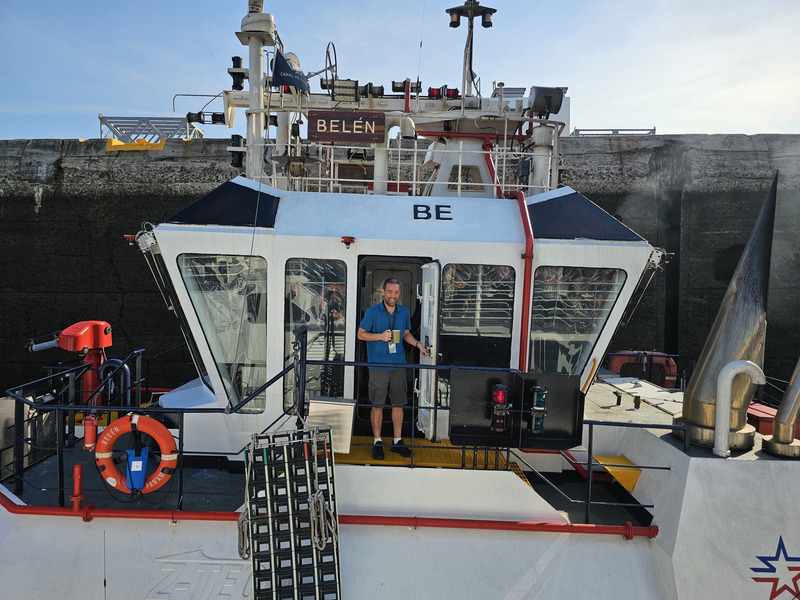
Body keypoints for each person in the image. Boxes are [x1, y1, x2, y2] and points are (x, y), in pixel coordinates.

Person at [357, 278, 428, 459]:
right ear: (383, 292)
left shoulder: (403, 311)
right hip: (378, 366)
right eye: (390, 291)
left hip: (398, 365)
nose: (393, 295)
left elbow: (405, 334)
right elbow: (361, 335)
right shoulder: (372, 312)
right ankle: (377, 442)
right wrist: (380, 337)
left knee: (398, 404)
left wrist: (418, 344)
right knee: (377, 405)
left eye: (396, 292)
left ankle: (397, 441)